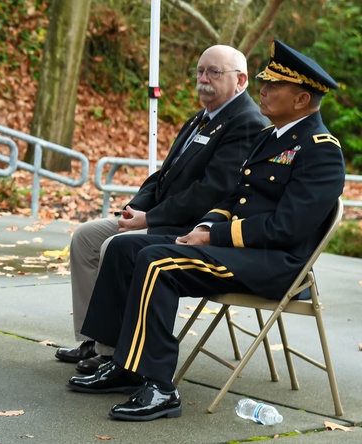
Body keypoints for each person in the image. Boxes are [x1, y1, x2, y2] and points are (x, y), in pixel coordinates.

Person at [69, 39, 345, 422]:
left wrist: (213, 237)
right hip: (237, 250)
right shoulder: (271, 137)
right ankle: (124, 361)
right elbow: (233, 198)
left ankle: (160, 387)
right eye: (263, 83)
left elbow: (287, 228)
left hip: (273, 264)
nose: (262, 91)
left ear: (300, 100)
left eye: (272, 86)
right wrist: (203, 226)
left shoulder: (321, 150)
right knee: (124, 249)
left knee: (156, 263)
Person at [56, 45, 269, 373]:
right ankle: (90, 338)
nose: (203, 79)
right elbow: (165, 174)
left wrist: (150, 218)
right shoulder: (203, 116)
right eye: (200, 71)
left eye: (214, 72)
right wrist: (135, 208)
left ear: (240, 80)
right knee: (85, 238)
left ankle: (109, 349)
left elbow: (211, 192)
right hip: (159, 216)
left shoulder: (245, 122)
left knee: (115, 245)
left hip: (193, 228)